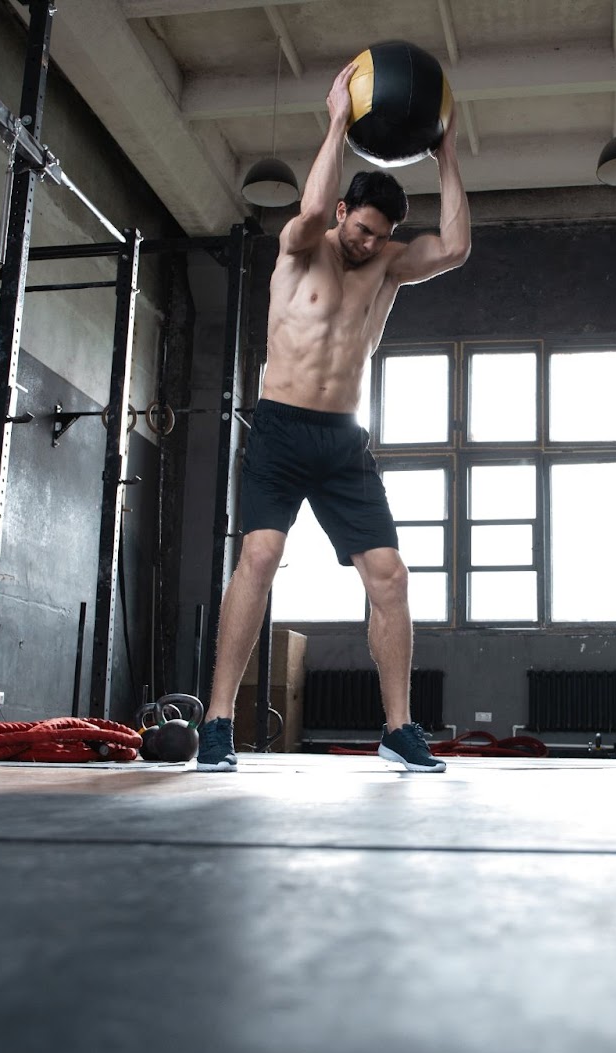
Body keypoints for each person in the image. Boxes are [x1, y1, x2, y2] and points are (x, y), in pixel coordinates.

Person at [196, 60, 471, 773]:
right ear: (345, 212)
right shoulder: (301, 247)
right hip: (282, 429)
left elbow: (458, 245)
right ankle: (219, 720)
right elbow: (312, 211)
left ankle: (398, 729)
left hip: (344, 442)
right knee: (259, 555)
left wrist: (446, 157)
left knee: (391, 577)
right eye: (362, 227)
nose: (365, 242)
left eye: (381, 235)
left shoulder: (386, 267)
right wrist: (335, 124)